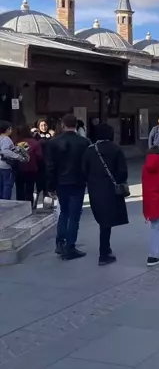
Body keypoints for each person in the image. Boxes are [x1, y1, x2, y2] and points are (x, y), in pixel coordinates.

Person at [82, 123, 129, 266]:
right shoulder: (116, 149)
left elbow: (84, 171)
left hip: (95, 189)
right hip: (111, 189)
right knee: (107, 221)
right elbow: (122, 172)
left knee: (102, 220)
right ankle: (103, 253)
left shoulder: (90, 150)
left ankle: (106, 248)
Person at [46, 114, 91, 260]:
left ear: (63, 125)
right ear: (77, 125)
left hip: (60, 182)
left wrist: (50, 186)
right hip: (77, 182)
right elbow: (87, 165)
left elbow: (50, 167)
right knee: (74, 216)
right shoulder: (84, 142)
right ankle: (70, 246)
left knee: (64, 212)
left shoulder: (53, 142)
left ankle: (60, 243)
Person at [15, 125, 43, 208]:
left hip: (19, 168)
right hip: (31, 168)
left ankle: (19, 206)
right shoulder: (34, 142)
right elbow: (39, 156)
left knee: (19, 189)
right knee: (29, 189)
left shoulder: (16, 142)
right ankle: (29, 206)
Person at [0, 121, 21, 199]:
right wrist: (17, 156)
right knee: (7, 185)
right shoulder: (6, 139)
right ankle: (6, 203)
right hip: (6, 165)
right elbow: (5, 151)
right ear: (8, 129)